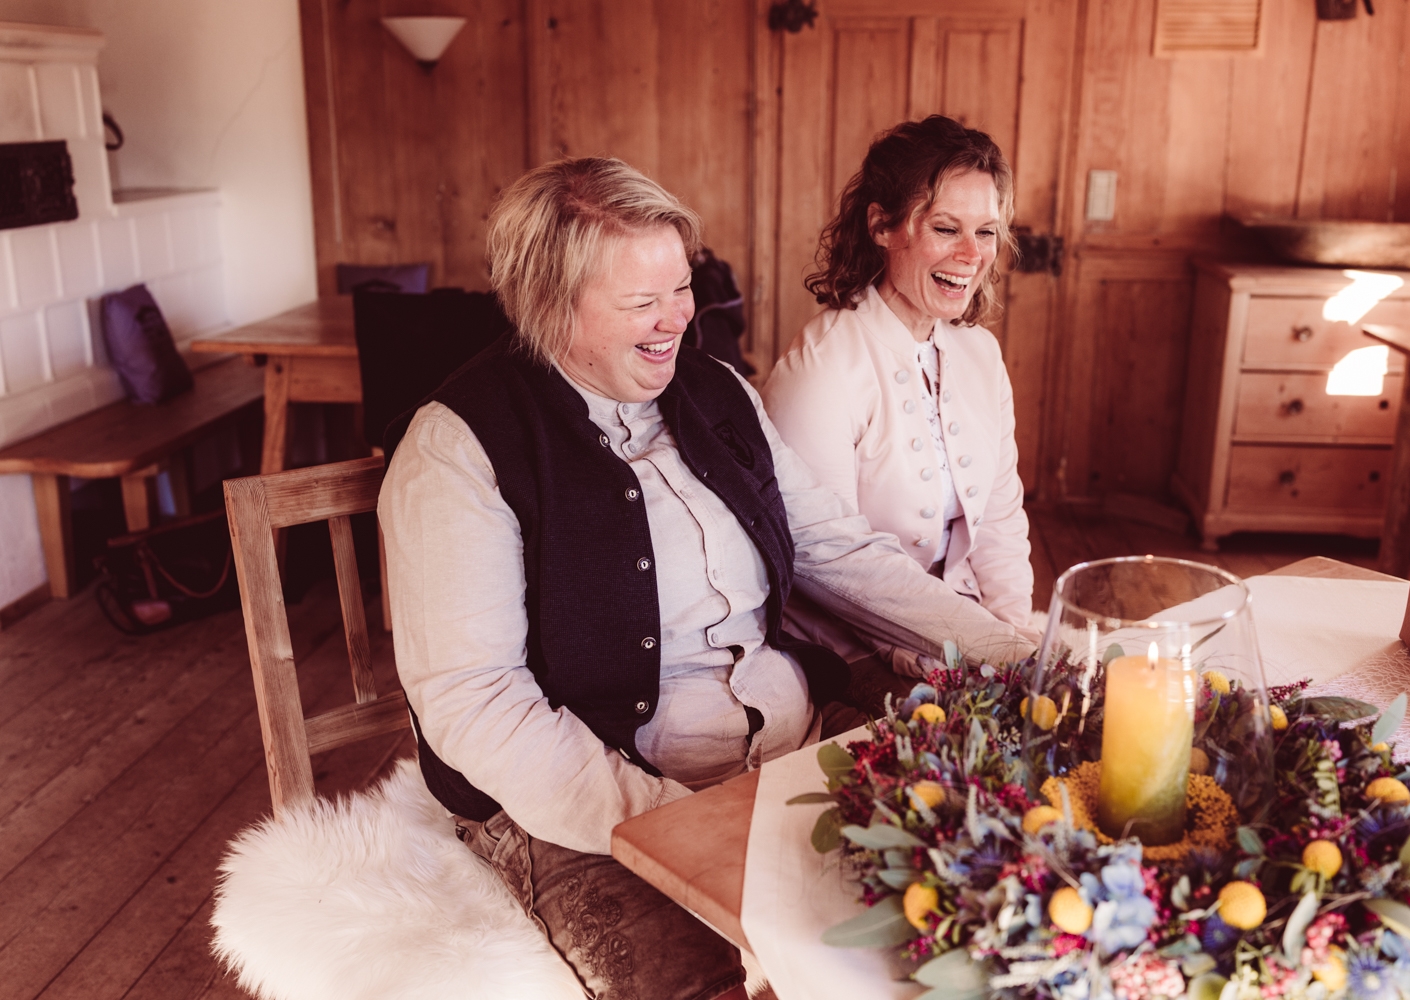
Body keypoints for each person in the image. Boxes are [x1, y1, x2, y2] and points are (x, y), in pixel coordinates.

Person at [378, 157, 1033, 1000]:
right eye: (642, 304)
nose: (677, 321)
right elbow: (476, 699)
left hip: (790, 746)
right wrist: (675, 829)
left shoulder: (716, 390)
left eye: (681, 289)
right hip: (588, 810)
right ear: (549, 304)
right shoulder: (459, 447)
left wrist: (1019, 653)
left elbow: (836, 548)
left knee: (957, 916)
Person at [761, 116, 1035, 672]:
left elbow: (1000, 521)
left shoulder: (980, 355)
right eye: (944, 228)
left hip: (966, 632)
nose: (972, 254)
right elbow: (827, 567)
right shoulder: (822, 367)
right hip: (852, 650)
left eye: (985, 231)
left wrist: (1018, 637)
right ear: (882, 226)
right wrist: (975, 655)